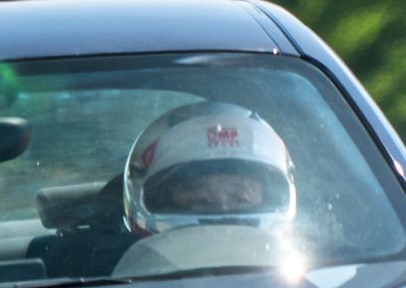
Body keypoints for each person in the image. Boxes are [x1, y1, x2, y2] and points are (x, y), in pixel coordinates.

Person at [116, 102, 298, 273]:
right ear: (160, 197)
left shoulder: (296, 271)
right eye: (200, 198)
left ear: (272, 196)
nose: (223, 210)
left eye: (241, 198)